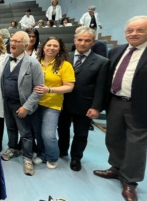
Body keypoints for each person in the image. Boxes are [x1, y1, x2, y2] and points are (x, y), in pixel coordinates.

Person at [93, 16, 147, 201]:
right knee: (113, 137)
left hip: (140, 106)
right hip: (115, 101)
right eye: (130, 30)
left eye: (140, 30)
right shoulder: (116, 51)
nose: (134, 33)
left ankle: (130, 181)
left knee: (135, 145)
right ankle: (116, 168)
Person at [58, 26, 109, 172]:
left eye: (87, 40)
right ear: (75, 40)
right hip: (64, 102)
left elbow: (101, 87)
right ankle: (62, 151)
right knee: (62, 129)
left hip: (85, 104)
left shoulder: (101, 62)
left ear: (93, 42)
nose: (83, 43)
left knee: (81, 134)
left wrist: (96, 107)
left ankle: (76, 158)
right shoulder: (64, 57)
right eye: (80, 40)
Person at [0, 32, 44, 176]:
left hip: (22, 105)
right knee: (11, 128)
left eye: (17, 41)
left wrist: (26, 106)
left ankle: (27, 158)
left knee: (26, 133)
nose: (12, 43)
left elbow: (39, 90)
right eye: (12, 40)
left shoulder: (33, 63)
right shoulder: (7, 59)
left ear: (25, 45)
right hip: (7, 102)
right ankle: (13, 148)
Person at [33, 37, 75, 169]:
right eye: (49, 45)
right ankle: (42, 153)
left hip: (52, 105)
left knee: (48, 135)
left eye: (55, 46)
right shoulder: (36, 62)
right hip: (35, 103)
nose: (51, 48)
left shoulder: (65, 65)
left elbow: (69, 86)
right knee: (38, 133)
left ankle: (52, 156)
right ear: (43, 47)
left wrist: (49, 89)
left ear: (59, 49)